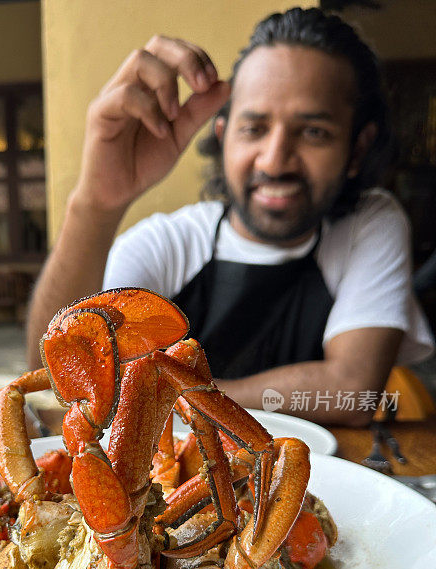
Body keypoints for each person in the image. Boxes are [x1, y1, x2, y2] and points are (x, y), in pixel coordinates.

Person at [28, 7, 433, 425]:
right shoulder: (165, 244)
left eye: (314, 132)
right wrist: (95, 205)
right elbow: (63, 380)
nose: (275, 162)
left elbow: (356, 394)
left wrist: (163, 400)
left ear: (358, 149)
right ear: (223, 139)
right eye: (254, 128)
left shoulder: (370, 223)